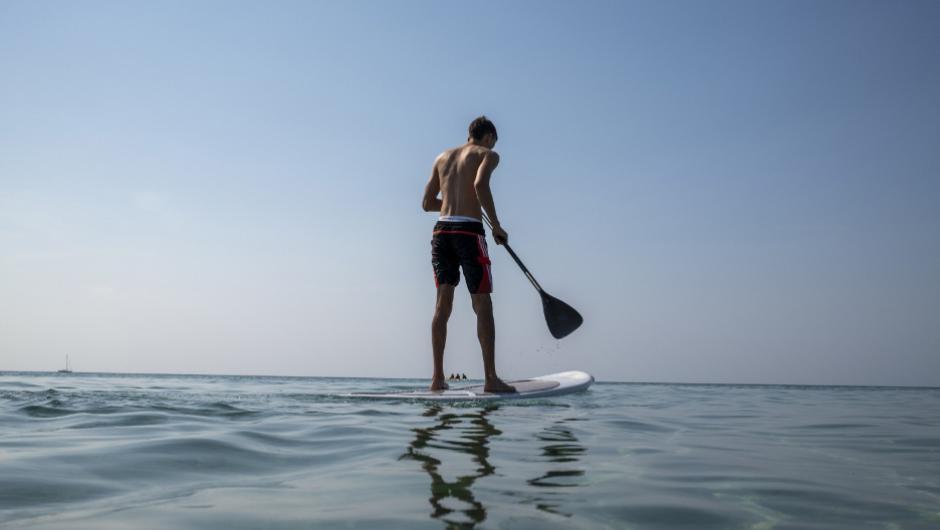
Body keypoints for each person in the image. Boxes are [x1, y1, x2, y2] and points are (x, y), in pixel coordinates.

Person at [422, 116, 516, 393]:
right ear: (489, 137)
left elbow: (427, 203)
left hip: (441, 233)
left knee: (442, 306)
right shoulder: (488, 154)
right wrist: (496, 225)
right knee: (482, 304)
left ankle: (437, 379)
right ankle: (491, 379)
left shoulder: (442, 157)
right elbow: (479, 185)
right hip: (469, 233)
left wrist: (452, 202)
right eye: (494, 141)